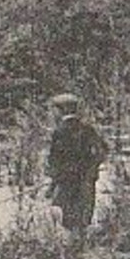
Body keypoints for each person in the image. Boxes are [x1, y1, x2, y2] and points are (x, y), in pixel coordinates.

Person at [47, 93, 109, 236]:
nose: (52, 114)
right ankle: (79, 245)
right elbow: (103, 151)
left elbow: (54, 159)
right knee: (83, 217)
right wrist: (92, 168)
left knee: (64, 214)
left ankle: (72, 248)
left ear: (61, 110)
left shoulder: (60, 131)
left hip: (67, 182)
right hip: (87, 181)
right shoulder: (88, 129)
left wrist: (54, 180)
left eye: (54, 110)